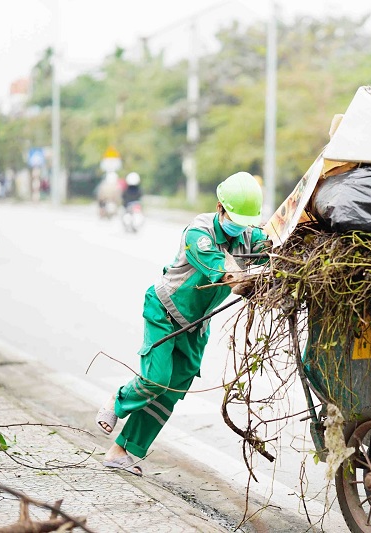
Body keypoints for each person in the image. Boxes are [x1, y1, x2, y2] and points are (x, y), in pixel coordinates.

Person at [95, 171, 271, 476]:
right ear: (220, 207)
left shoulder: (246, 235)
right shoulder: (199, 233)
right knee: (155, 379)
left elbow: (273, 240)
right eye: (235, 218)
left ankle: (122, 452)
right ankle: (118, 400)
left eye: (245, 222)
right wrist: (250, 281)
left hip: (196, 325)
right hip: (164, 310)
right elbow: (226, 272)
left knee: (171, 392)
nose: (240, 228)